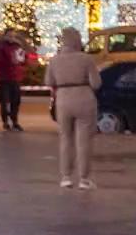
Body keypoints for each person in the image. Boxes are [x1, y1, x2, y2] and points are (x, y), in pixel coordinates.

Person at [46, 27, 101, 189]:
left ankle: (66, 177)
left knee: (65, 139)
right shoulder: (86, 59)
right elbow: (96, 83)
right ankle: (84, 179)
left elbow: (48, 82)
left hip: (62, 99)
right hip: (84, 98)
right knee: (83, 140)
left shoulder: (54, 60)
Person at [0, 30, 26, 132]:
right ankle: (5, 121)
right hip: (4, 78)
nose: (11, 37)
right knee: (5, 101)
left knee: (16, 101)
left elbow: (23, 59)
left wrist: (22, 60)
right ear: (5, 36)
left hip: (15, 77)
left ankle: (15, 122)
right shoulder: (0, 46)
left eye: (13, 35)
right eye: (9, 35)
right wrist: (9, 59)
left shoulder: (17, 46)